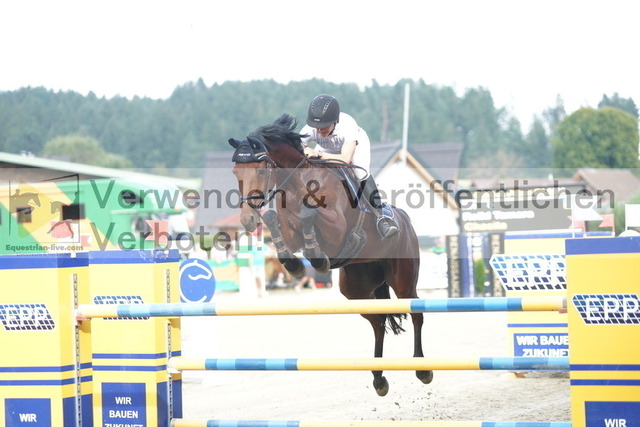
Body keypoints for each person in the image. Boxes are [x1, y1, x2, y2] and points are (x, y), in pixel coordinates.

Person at [300, 94, 399, 239]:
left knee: (361, 174)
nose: (319, 131)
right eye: (317, 127)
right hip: (327, 148)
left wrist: (317, 154)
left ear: (335, 121)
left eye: (324, 126)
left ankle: (381, 218)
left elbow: (345, 159)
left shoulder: (347, 126)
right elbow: (297, 149)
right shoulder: (309, 129)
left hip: (353, 148)